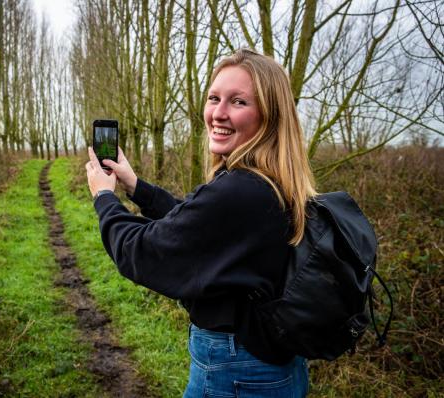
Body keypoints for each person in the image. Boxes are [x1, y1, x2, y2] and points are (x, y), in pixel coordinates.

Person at [85, 48, 316, 397]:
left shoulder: (239, 190)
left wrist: (104, 197)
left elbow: (142, 251)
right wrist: (136, 187)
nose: (218, 113)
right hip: (275, 365)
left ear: (270, 116)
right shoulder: (271, 182)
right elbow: (199, 227)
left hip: (235, 371)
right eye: (214, 98)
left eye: (238, 102)